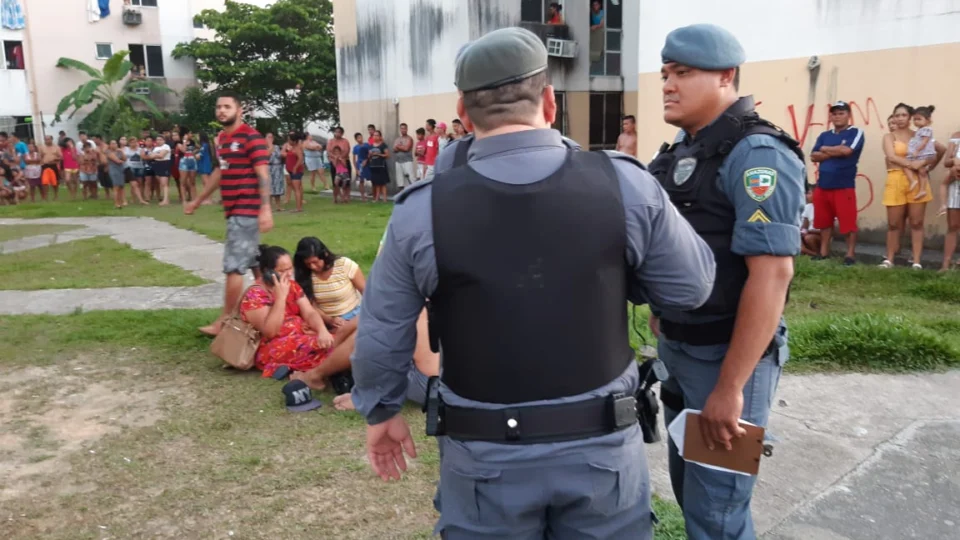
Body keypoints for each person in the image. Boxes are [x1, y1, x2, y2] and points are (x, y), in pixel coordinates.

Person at [350, 27, 716, 538]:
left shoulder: (422, 209)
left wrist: (382, 410)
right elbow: (690, 289)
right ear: (549, 101)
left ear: (463, 111)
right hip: (601, 453)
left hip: (484, 459)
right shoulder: (624, 182)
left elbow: (382, 328)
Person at [645, 24, 805, 539]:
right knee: (690, 494)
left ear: (725, 77)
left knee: (717, 514)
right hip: (681, 349)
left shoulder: (758, 154)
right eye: (665, 74)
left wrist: (731, 389)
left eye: (683, 73)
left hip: (727, 360)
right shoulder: (682, 150)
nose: (668, 85)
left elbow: (772, 274)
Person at [185, 91, 274, 337]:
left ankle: (226, 320)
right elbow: (220, 172)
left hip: (246, 210)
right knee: (256, 265)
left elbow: (263, 175)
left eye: (227, 106)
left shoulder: (251, 137)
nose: (221, 111)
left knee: (234, 267)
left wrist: (265, 208)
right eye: (218, 107)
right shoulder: (223, 139)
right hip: (233, 209)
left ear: (239, 110)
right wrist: (198, 200)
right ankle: (272, 310)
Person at [240, 244, 356, 380]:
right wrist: (281, 298)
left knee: (339, 340)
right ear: (267, 271)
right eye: (282, 270)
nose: (289, 274)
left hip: (301, 335)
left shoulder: (292, 285)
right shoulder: (255, 295)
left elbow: (310, 312)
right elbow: (270, 332)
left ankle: (341, 367)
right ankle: (333, 370)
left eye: (290, 268)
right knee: (329, 348)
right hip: (275, 346)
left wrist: (322, 330)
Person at [880, 103, 942, 269]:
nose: (900, 119)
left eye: (904, 115)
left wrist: (926, 165)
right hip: (895, 179)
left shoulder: (920, 134)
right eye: (896, 115)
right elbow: (891, 156)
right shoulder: (889, 137)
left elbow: (937, 151)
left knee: (916, 222)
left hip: (916, 180)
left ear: (910, 118)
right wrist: (910, 164)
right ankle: (889, 259)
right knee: (893, 223)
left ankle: (916, 261)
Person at [809, 100, 864, 265]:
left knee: (848, 222)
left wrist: (825, 149)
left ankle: (850, 255)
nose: (838, 116)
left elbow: (847, 151)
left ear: (848, 115)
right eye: (835, 114)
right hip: (823, 185)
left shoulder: (855, 132)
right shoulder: (824, 135)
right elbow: (813, 156)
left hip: (844, 185)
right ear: (831, 116)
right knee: (824, 222)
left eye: (841, 113)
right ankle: (824, 252)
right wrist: (836, 150)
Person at [293, 236, 366, 338]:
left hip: (354, 314)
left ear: (325, 255)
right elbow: (311, 306)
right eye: (308, 264)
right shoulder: (304, 275)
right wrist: (330, 320)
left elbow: (366, 292)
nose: (312, 267)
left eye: (315, 262)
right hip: (325, 320)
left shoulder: (344, 265)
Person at [904, 105, 937, 199]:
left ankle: (912, 181)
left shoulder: (926, 129)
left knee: (906, 166)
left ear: (928, 120)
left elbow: (924, 142)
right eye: (914, 119)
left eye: (919, 119)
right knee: (922, 172)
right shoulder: (919, 130)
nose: (916, 121)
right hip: (922, 154)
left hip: (923, 154)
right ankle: (922, 190)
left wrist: (916, 151)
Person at [939, 131, 960, 272]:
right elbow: (946, 162)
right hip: (955, 185)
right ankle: (946, 265)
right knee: (953, 225)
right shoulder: (956, 136)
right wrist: (953, 162)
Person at [283, 132, 305, 212]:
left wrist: (295, 167)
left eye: (289, 140)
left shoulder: (297, 148)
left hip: (296, 171)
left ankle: (298, 208)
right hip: (291, 171)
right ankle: (299, 207)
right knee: (296, 188)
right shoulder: (292, 148)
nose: (288, 141)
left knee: (296, 189)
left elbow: (300, 158)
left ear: (294, 141)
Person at [366, 130, 390, 202]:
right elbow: (368, 157)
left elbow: (387, 155)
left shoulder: (383, 145)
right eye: (374, 135)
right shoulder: (370, 146)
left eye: (377, 135)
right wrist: (370, 155)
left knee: (383, 183)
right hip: (373, 166)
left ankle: (385, 199)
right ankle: (377, 198)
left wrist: (378, 154)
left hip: (381, 166)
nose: (375, 137)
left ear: (380, 137)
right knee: (376, 183)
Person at [393, 123, 415, 190]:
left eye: (404, 128)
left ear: (407, 129)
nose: (403, 130)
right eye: (402, 128)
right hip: (398, 161)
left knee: (409, 180)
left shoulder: (409, 138)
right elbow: (394, 149)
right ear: (400, 129)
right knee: (400, 181)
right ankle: (402, 195)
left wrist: (398, 146)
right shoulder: (397, 139)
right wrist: (402, 147)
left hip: (407, 161)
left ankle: (410, 194)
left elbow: (406, 149)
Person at [800, 187, 821, 256]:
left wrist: (809, 231)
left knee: (809, 238)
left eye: (809, 193)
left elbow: (827, 231)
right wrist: (802, 231)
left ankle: (817, 253)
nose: (806, 196)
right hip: (808, 233)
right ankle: (805, 250)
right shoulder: (808, 207)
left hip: (819, 236)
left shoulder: (826, 207)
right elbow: (805, 226)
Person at [106, 140, 126, 209]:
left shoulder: (119, 151)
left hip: (120, 170)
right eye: (112, 143)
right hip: (113, 170)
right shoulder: (108, 152)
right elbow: (117, 160)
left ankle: (120, 202)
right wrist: (121, 161)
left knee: (121, 186)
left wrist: (122, 151)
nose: (114, 145)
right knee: (116, 187)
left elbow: (125, 159)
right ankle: (116, 203)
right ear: (110, 145)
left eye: (115, 143)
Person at [351, 132, 371, 202]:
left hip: (367, 164)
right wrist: (356, 169)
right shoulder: (355, 147)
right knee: (361, 181)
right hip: (359, 165)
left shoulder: (367, 145)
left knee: (370, 179)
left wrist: (366, 160)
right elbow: (354, 159)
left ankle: (373, 194)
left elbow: (370, 154)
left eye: (361, 137)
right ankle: (363, 196)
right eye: (358, 138)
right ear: (356, 139)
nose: (360, 139)